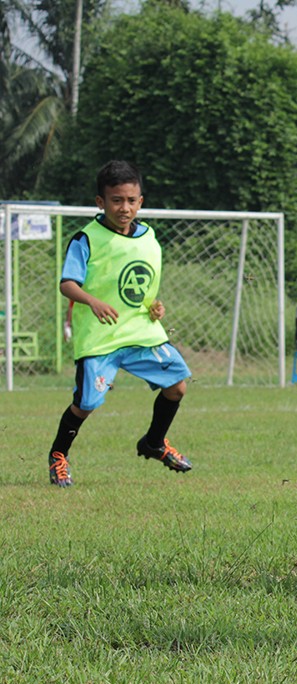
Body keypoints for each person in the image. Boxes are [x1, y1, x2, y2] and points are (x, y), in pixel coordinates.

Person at [47, 160, 193, 487]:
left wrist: (154, 307)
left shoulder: (148, 238)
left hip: (140, 331)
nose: (124, 208)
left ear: (140, 201)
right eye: (116, 200)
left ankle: (154, 442)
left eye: (131, 200)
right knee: (86, 404)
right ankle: (58, 455)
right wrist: (92, 301)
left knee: (177, 385)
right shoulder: (87, 239)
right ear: (101, 202)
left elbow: (141, 288)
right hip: (100, 337)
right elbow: (67, 284)